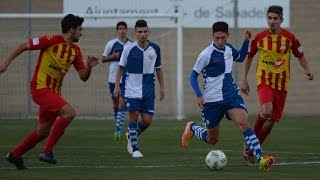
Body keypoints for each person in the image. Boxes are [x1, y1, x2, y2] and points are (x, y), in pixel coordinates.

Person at [0, 14, 99, 170]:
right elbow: (23, 46)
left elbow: (83, 77)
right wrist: (4, 64)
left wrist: (89, 67)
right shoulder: (51, 40)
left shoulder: (75, 51)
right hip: (40, 88)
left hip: (53, 94)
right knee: (69, 113)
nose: (81, 33)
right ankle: (47, 152)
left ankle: (15, 155)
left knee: (43, 132)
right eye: (80, 29)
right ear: (72, 30)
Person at [181, 21, 274, 171]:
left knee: (244, 123)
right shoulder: (206, 54)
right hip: (212, 101)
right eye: (216, 37)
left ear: (227, 36)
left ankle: (261, 159)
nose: (219, 41)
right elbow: (192, 76)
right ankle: (191, 127)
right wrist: (199, 95)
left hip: (231, 96)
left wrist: (246, 41)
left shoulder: (229, 49)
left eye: (222, 37)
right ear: (212, 36)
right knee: (212, 139)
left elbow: (241, 57)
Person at [240, 5, 314, 165]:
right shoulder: (259, 38)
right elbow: (249, 57)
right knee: (266, 110)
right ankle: (249, 139)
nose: (272, 21)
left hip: (281, 84)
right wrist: (244, 79)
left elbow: (300, 55)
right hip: (264, 80)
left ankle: (250, 150)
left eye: (275, 18)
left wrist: (307, 69)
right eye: (269, 18)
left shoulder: (290, 38)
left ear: (281, 20)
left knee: (271, 121)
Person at [113, 19, 165, 158]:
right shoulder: (128, 48)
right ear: (135, 33)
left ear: (148, 32)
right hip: (131, 90)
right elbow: (120, 68)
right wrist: (117, 87)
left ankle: (131, 135)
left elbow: (158, 69)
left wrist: (162, 87)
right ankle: (135, 149)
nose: (142, 34)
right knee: (134, 118)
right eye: (139, 32)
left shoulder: (155, 49)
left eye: (145, 31)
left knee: (147, 121)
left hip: (148, 90)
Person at [102, 21, 132, 141]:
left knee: (121, 103)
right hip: (112, 79)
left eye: (124, 28)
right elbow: (103, 59)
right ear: (117, 30)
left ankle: (118, 130)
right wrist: (113, 57)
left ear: (126, 30)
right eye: (120, 28)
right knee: (115, 103)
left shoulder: (130, 44)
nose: (122, 30)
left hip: (125, 79)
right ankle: (118, 124)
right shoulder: (111, 44)